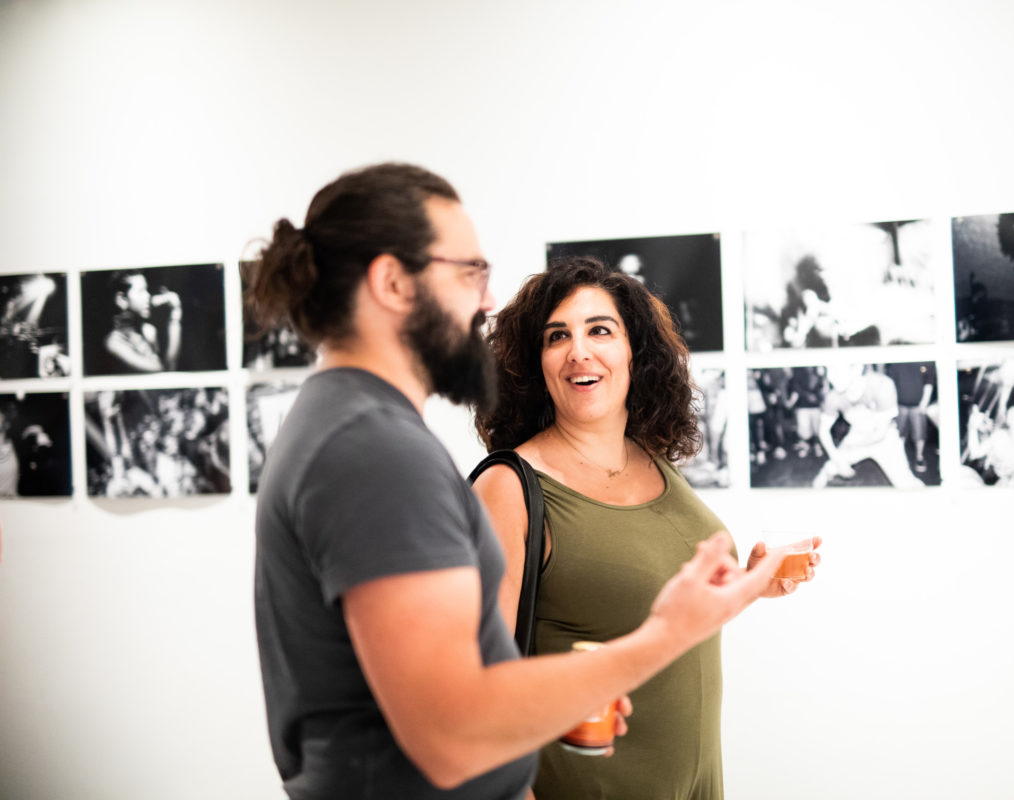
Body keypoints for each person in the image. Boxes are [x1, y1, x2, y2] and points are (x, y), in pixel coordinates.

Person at [246, 163, 790, 800]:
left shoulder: (348, 427)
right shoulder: (373, 450)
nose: (484, 301)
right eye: (469, 272)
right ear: (393, 281)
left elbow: (462, 694)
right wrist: (664, 635)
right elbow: (454, 733)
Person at [472, 254, 821, 800]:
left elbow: (651, 609)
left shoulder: (654, 460)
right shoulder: (510, 487)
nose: (579, 351)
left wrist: (749, 585)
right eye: (556, 336)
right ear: (534, 362)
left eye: (600, 330)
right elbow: (480, 690)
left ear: (634, 349)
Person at [812, 364, 923, 489]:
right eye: (829, 370)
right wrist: (837, 458)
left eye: (837, 369)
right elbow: (823, 431)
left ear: (857, 368)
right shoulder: (833, 396)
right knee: (826, 473)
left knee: (907, 484)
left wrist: (848, 451)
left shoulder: (882, 384)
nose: (831, 377)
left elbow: (880, 433)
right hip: (858, 434)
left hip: (885, 439)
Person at [103, 270, 182, 373]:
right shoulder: (114, 342)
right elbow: (161, 372)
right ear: (122, 299)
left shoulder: (148, 330)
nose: (148, 296)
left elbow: (170, 367)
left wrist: (175, 314)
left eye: (147, 290)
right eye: (141, 291)